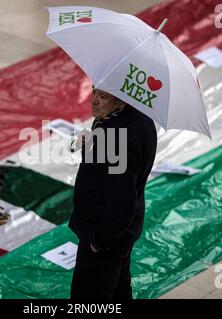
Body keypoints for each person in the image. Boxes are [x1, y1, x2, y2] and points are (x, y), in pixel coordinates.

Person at [68, 86, 157, 299]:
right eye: (94, 92)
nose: (95, 100)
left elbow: (121, 198)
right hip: (123, 229)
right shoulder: (138, 118)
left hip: (105, 233)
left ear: (121, 101)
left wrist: (100, 241)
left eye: (103, 96)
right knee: (118, 288)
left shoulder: (116, 138)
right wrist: (91, 144)